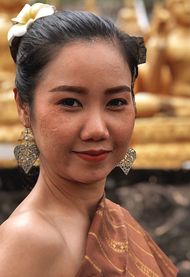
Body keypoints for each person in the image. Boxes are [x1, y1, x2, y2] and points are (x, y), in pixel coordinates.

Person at [0, 3, 178, 276]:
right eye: (70, 102)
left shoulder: (114, 217)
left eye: (116, 102)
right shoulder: (31, 240)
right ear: (24, 107)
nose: (97, 129)